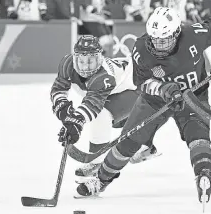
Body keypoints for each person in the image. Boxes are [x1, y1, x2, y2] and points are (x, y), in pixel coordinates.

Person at [75, 7, 211, 204]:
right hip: (154, 101)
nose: (159, 44)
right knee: (127, 143)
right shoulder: (141, 48)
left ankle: (204, 174)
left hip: (193, 96)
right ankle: (101, 180)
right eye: (155, 39)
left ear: (177, 33)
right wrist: (163, 89)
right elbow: (141, 83)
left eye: (165, 39)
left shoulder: (195, 35)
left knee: (198, 136)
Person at [50, 35, 159, 175]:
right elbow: (59, 89)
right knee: (113, 121)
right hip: (119, 89)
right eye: (81, 61)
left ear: (100, 58)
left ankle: (97, 163)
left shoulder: (104, 76)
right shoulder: (67, 63)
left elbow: (92, 105)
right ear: (74, 57)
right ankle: (143, 145)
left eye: (91, 61)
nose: (85, 67)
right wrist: (64, 112)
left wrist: (76, 122)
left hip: (138, 88)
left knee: (102, 114)